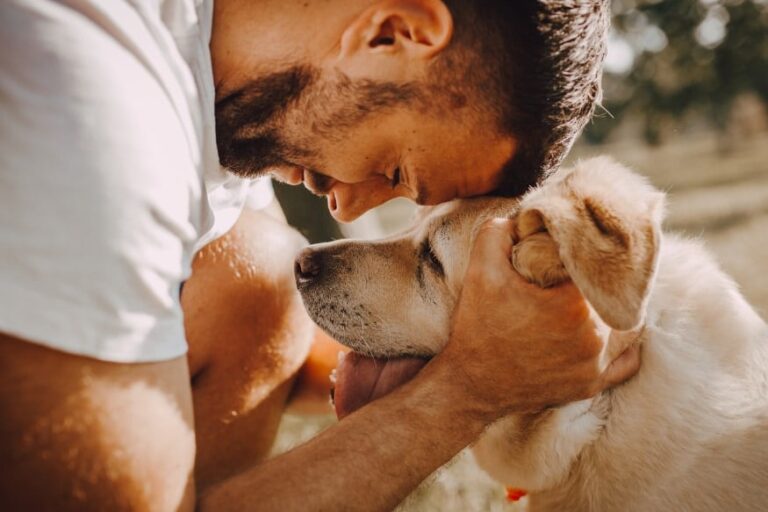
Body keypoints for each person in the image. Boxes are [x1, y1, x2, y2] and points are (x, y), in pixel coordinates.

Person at [0, 0, 640, 510]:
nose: (347, 211)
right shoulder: (88, 102)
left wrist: (519, 350)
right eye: (394, 168)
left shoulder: (209, 85)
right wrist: (469, 390)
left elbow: (282, 346)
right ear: (394, 32)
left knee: (255, 274)